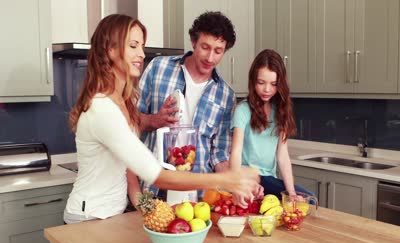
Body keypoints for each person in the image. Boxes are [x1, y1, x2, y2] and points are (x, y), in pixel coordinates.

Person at [64, 14, 258, 224]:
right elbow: (156, 175)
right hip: (88, 218)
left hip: (113, 215)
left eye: (142, 46)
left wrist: (148, 209)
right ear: (111, 50)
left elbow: (128, 165)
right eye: (133, 46)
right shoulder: (103, 109)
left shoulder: (121, 102)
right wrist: (226, 180)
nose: (141, 54)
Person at [137, 11, 237, 195]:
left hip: (197, 194)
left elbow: (219, 154)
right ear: (193, 42)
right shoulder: (158, 68)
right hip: (154, 186)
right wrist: (155, 120)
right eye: (205, 47)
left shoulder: (226, 95)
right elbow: (129, 121)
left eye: (218, 51)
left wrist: (234, 184)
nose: (210, 58)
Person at [229, 49, 315, 206]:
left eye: (274, 84)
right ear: (253, 81)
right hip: (248, 177)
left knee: (306, 200)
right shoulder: (243, 110)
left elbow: (283, 156)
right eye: (261, 83)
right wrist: (236, 186)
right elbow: (235, 152)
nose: (267, 89)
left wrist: (291, 193)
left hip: (269, 179)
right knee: (308, 199)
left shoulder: (280, 111)